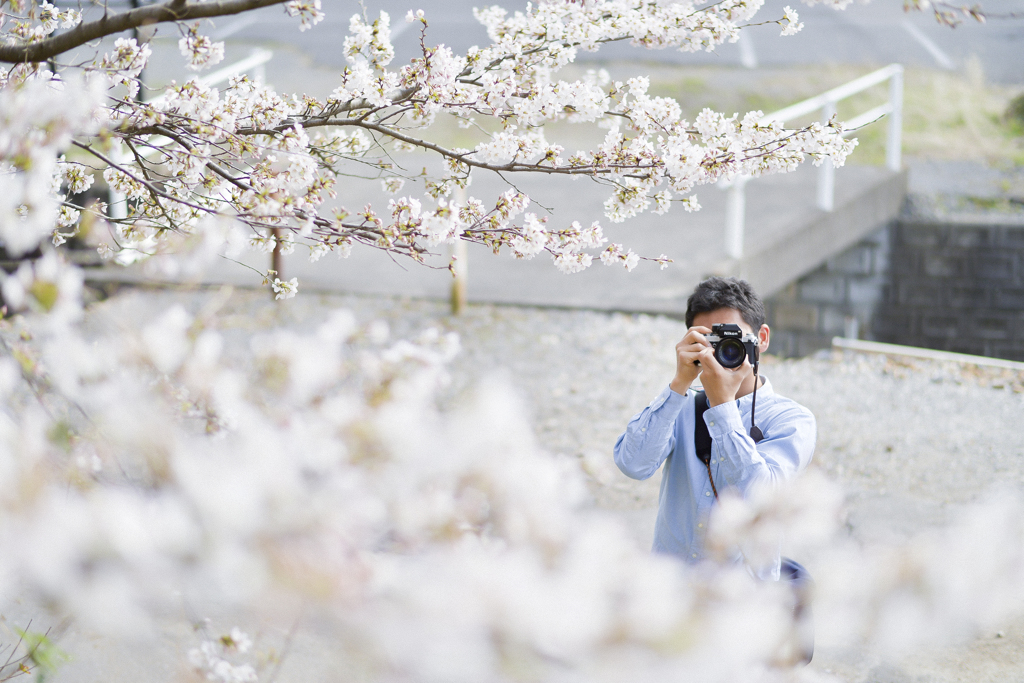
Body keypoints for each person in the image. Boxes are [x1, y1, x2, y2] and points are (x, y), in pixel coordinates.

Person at [613, 276, 816, 661]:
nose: (725, 351)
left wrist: (723, 409)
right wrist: (679, 383)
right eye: (711, 341)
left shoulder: (791, 419)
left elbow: (763, 494)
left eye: (734, 340)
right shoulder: (681, 406)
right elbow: (632, 464)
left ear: (763, 339)